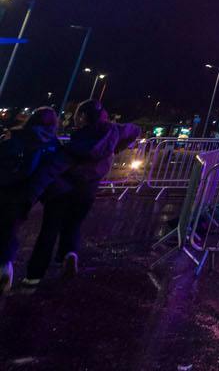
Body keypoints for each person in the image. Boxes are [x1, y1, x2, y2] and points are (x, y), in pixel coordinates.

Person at [23, 100, 140, 284]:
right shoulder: (111, 135)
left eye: (78, 114)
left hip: (62, 192)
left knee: (49, 231)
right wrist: (115, 146)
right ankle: (69, 254)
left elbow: (50, 171)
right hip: (87, 191)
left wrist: (29, 198)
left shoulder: (74, 146)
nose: (75, 118)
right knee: (73, 225)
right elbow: (134, 130)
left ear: (84, 117)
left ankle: (34, 276)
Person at [1, 109, 61, 294]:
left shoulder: (18, 135)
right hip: (27, 194)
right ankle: (4, 268)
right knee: (10, 229)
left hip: (6, 188)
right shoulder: (53, 144)